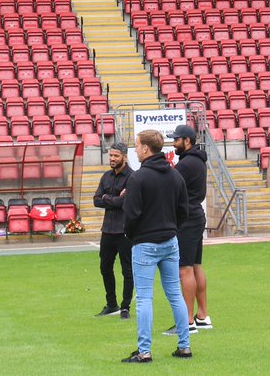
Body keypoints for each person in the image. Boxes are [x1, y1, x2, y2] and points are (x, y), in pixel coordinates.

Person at [121, 130, 193, 363]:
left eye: (136, 146)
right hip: (170, 242)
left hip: (145, 243)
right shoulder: (175, 176)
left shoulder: (138, 178)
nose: (134, 150)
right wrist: (171, 228)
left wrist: (133, 235)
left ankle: (144, 351)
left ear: (145, 149)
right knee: (174, 294)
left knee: (144, 298)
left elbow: (131, 215)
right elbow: (184, 211)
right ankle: (184, 346)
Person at [163, 124, 212, 335]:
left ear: (187, 141)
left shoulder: (187, 164)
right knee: (196, 265)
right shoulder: (196, 160)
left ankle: (187, 321)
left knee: (185, 269)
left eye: (176, 140)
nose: (173, 144)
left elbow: (168, 185)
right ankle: (202, 316)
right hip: (196, 215)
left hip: (187, 218)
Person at [93, 142, 133, 320]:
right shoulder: (106, 176)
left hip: (124, 231)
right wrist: (115, 199)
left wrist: (107, 199)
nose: (112, 159)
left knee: (127, 270)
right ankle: (111, 304)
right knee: (105, 267)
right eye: (111, 156)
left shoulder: (132, 177)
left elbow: (125, 202)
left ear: (124, 157)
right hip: (108, 230)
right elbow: (96, 200)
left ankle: (125, 307)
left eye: (116, 156)